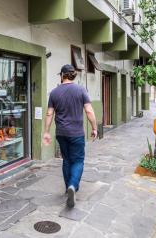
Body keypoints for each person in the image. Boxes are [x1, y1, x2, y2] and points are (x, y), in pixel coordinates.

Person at [43, 64, 97, 208]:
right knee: (78, 160)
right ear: (72, 75)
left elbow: (49, 113)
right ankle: (73, 185)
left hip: (61, 133)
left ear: (62, 75)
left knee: (66, 160)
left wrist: (47, 132)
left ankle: (68, 187)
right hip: (77, 133)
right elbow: (89, 111)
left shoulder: (54, 92)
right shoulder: (81, 90)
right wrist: (95, 128)